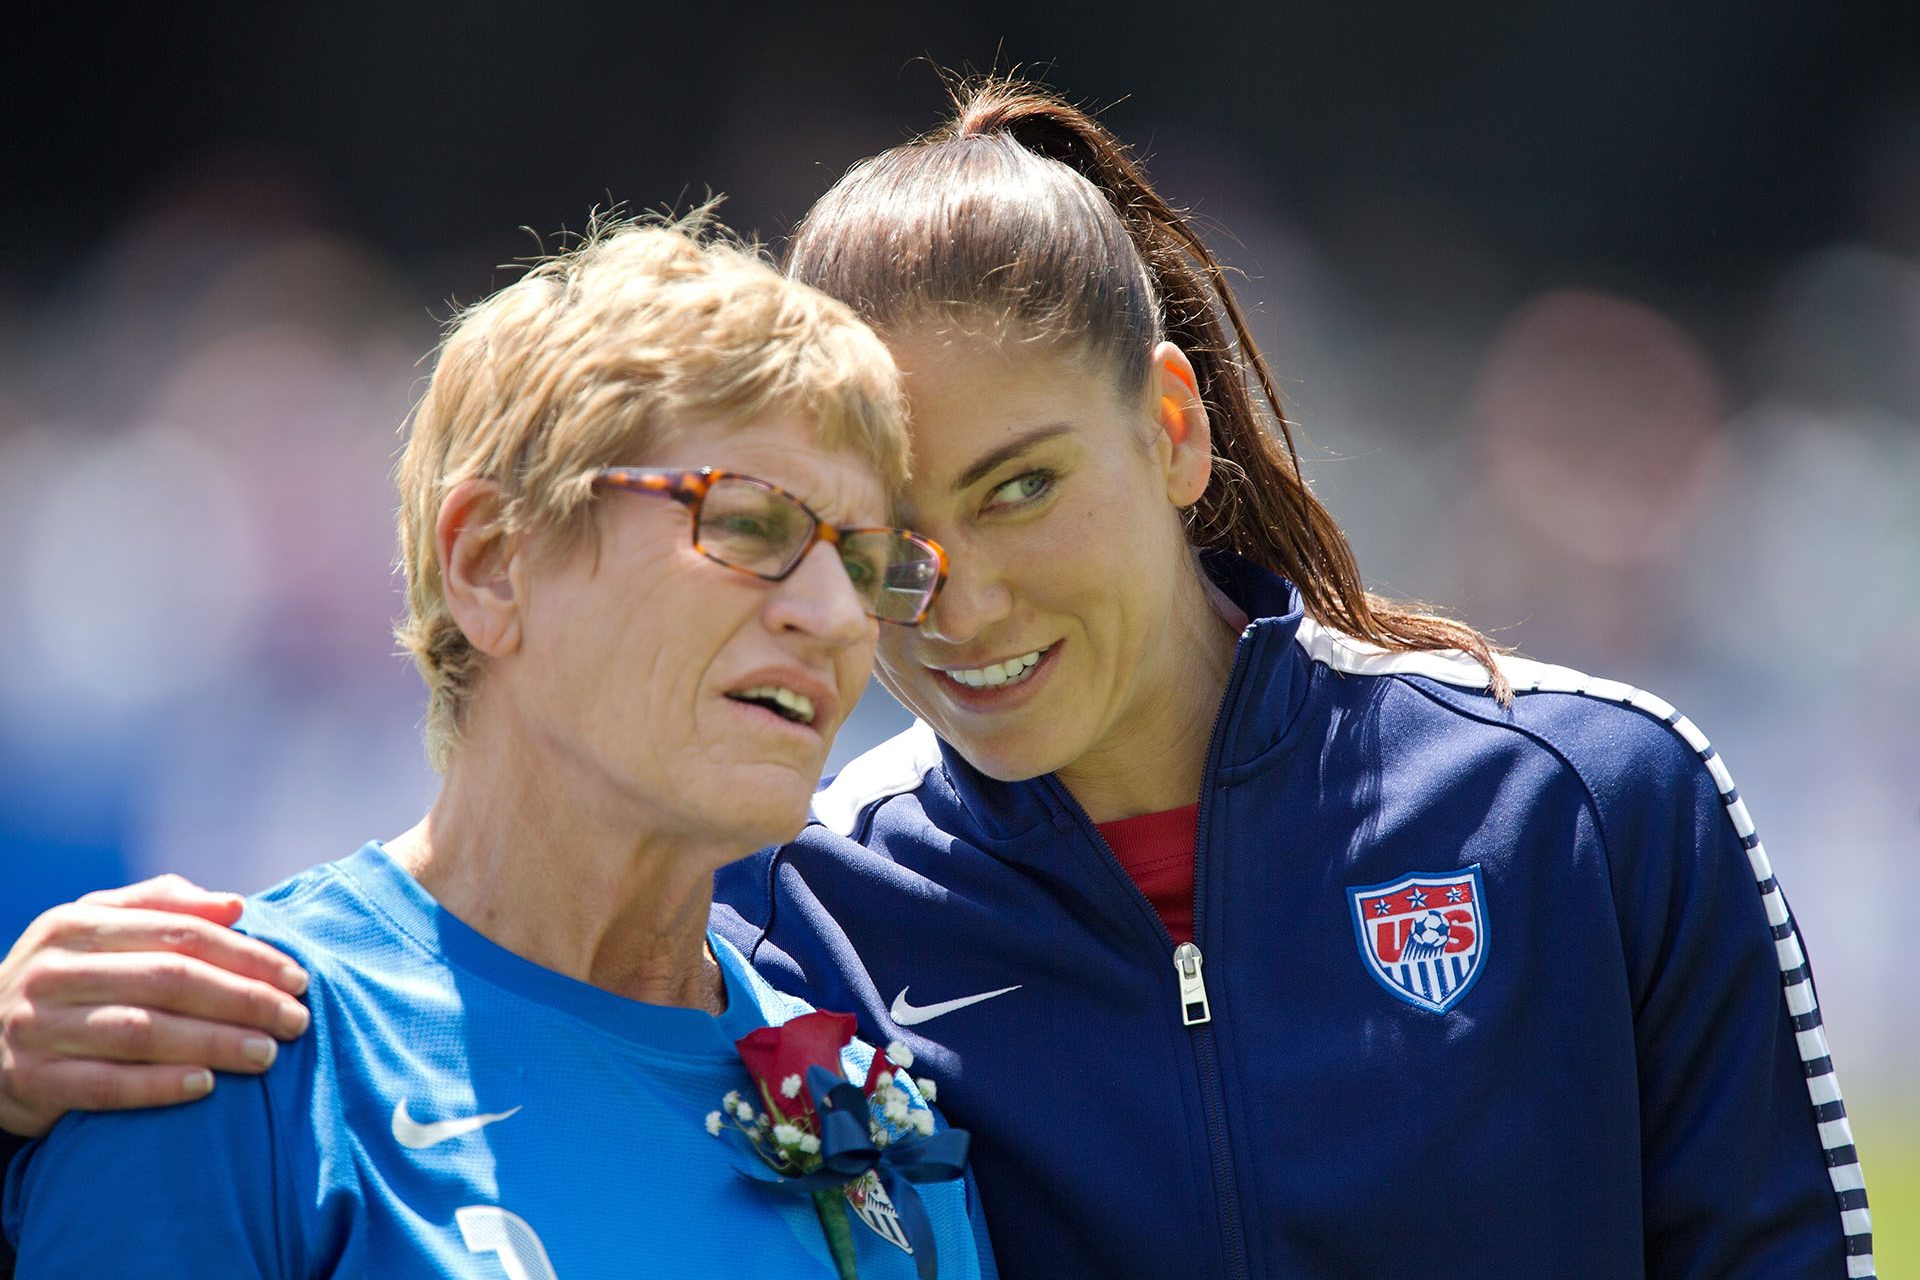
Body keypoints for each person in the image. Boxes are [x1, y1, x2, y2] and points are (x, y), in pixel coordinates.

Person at [0, 79, 1875, 1279]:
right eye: (840, 534)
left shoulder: (1586, 800)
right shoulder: (796, 924)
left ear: (1170, 427)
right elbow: (458, 986)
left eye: (1020, 489)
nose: (920, 604)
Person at [0, 216, 995, 1279]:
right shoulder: (219, 1053)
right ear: (491, 561)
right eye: (750, 523)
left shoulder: (875, 1109)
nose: (838, 616)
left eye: (866, 560)